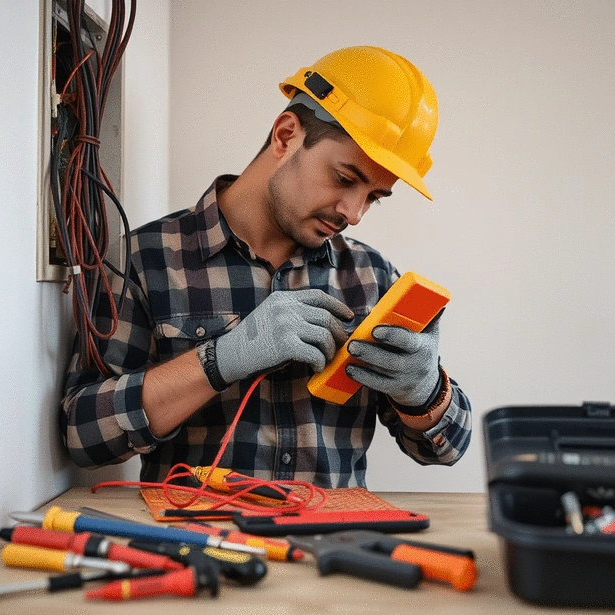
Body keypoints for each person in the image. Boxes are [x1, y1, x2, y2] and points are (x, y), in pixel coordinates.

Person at [61, 45, 472, 489]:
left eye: (372, 196)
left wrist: (426, 392)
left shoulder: (371, 278)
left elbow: (446, 448)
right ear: (286, 136)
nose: (353, 213)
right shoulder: (145, 259)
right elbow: (83, 436)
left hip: (330, 548)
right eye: (345, 179)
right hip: (197, 547)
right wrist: (219, 360)